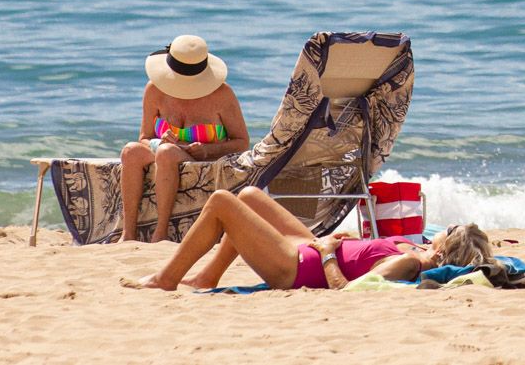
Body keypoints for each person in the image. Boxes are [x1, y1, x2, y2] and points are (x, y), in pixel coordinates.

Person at [131, 186, 491, 290]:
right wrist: (341, 244)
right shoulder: (417, 249)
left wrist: (330, 252)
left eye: (441, 235)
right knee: (250, 196)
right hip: (308, 250)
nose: (434, 235)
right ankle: (210, 275)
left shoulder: (410, 261)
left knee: (222, 202)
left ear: (443, 248)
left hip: (298, 268)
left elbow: (348, 292)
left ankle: (166, 279)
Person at [117, 35, 250, 242]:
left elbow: (241, 142)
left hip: (204, 157)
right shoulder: (154, 89)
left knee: (167, 153)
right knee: (130, 151)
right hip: (164, 151)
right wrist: (158, 142)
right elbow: (144, 137)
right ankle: (128, 233)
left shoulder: (222, 95)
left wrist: (208, 150)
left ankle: (161, 233)